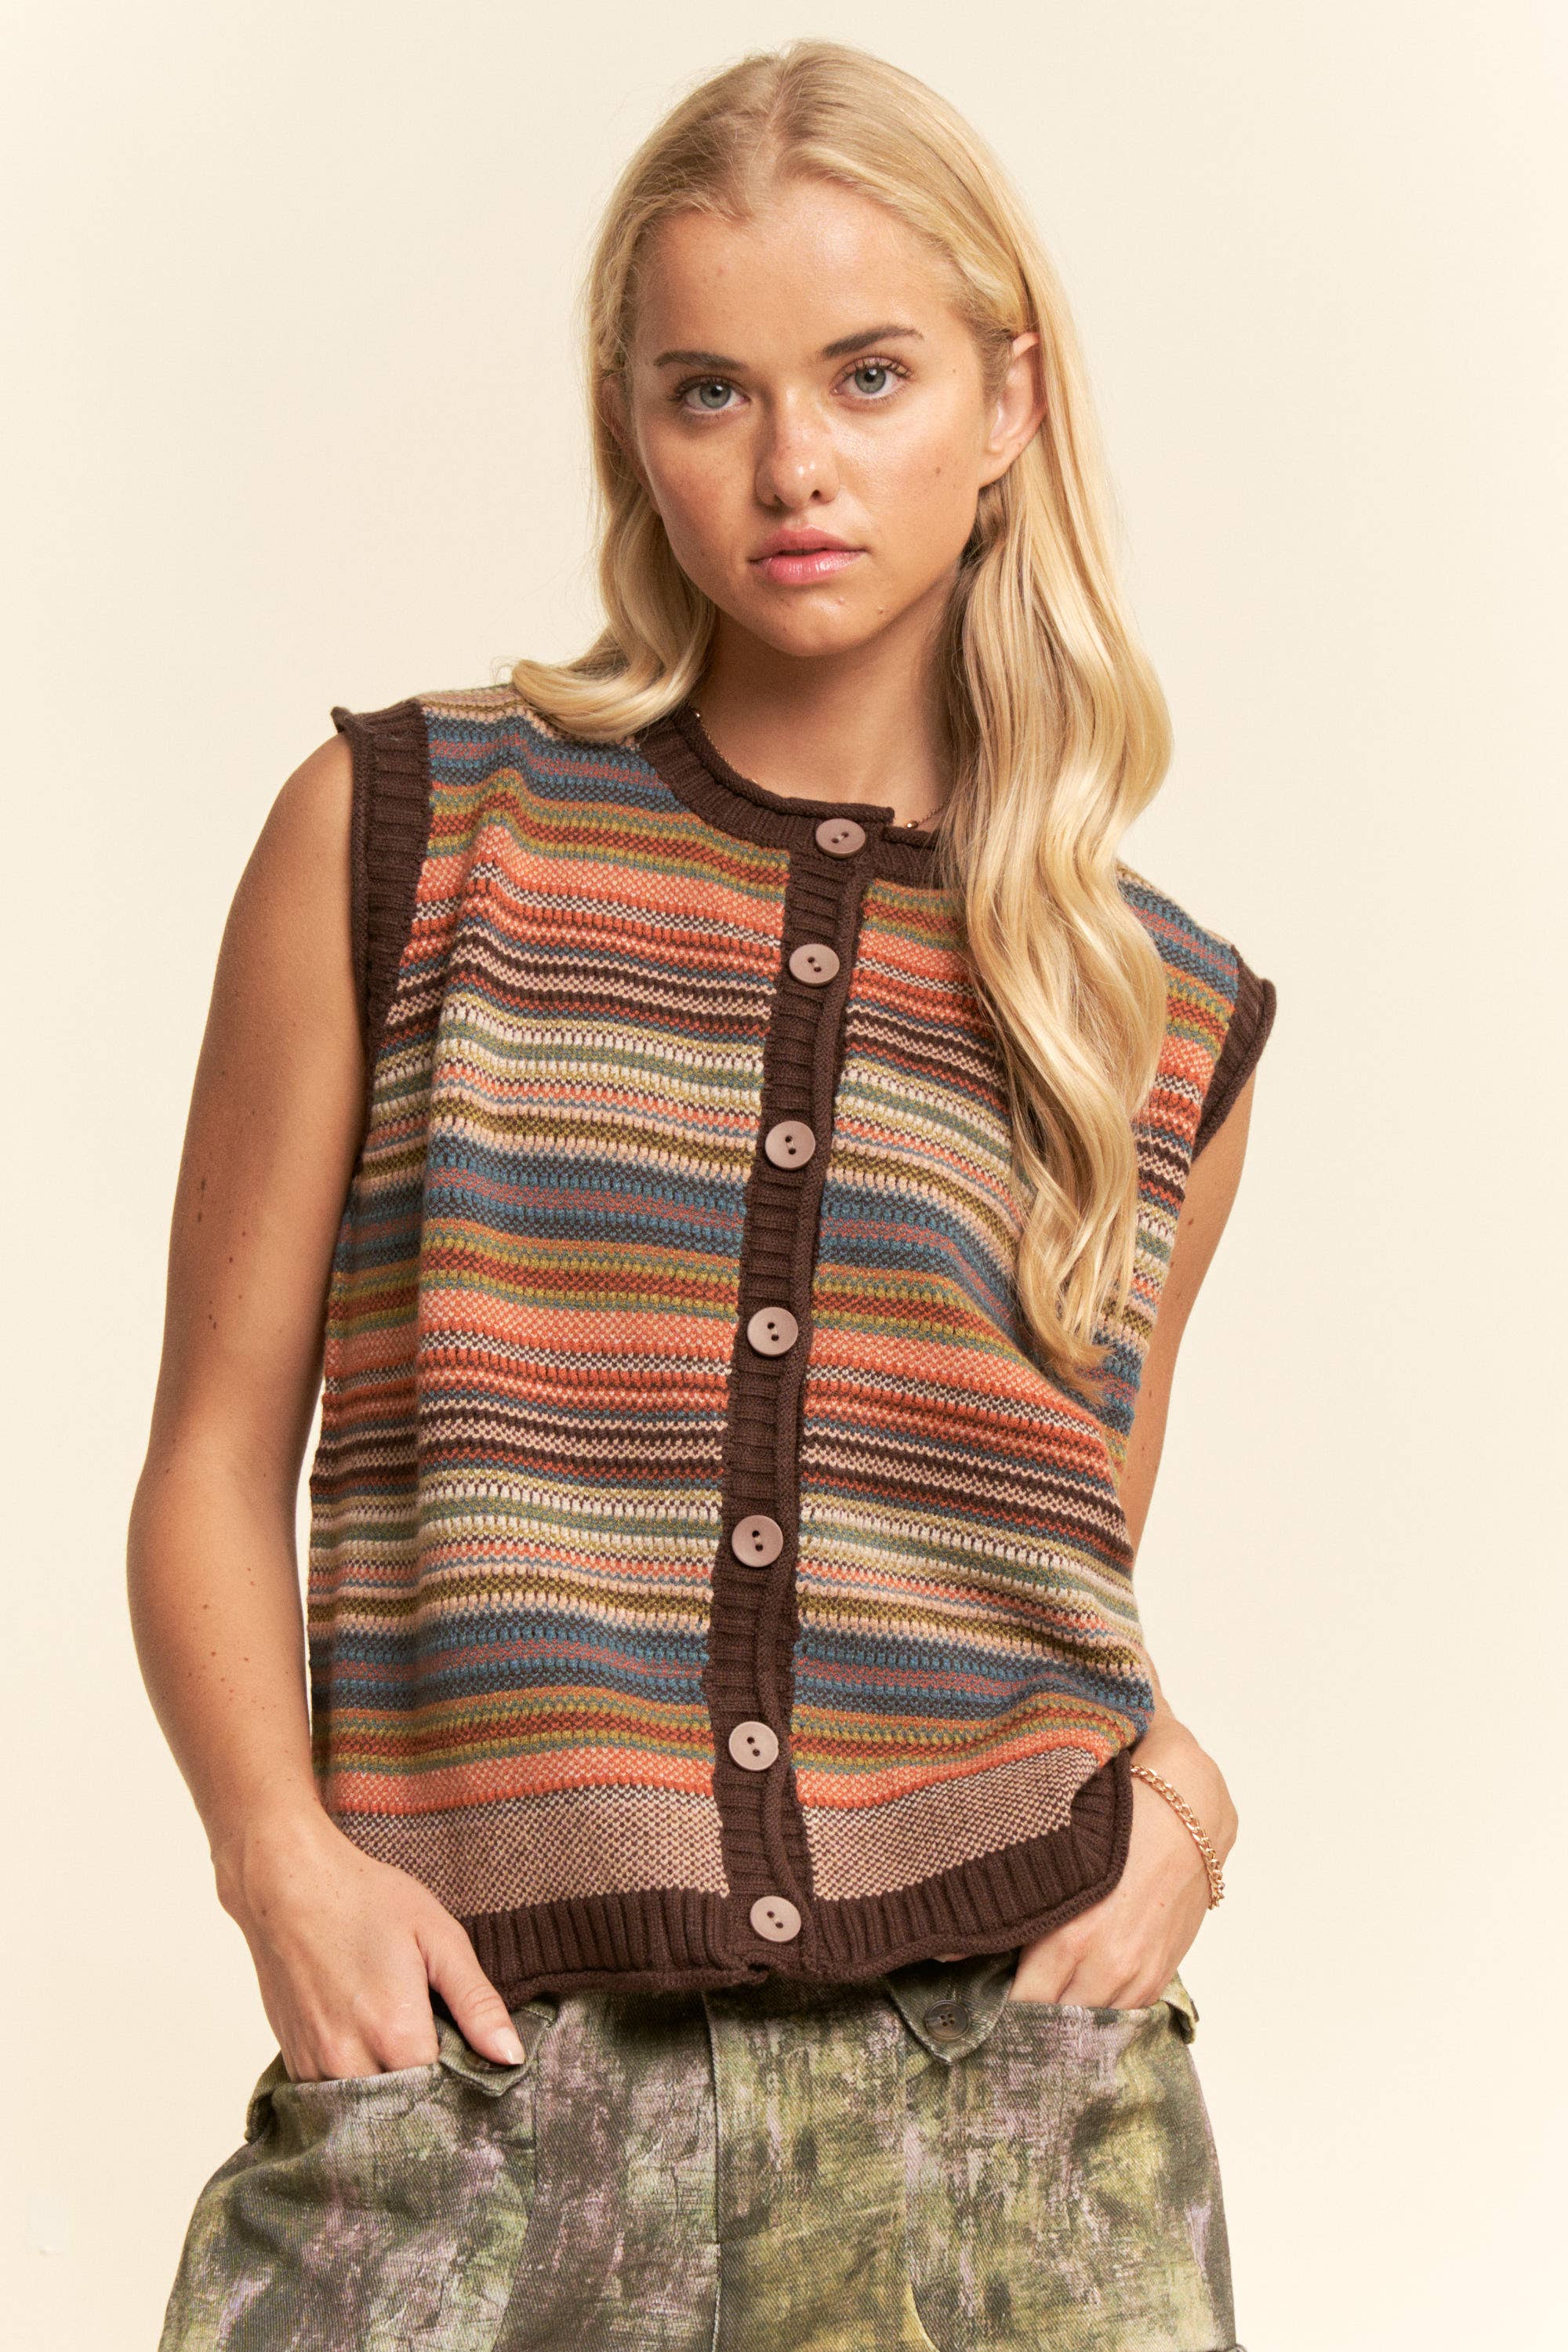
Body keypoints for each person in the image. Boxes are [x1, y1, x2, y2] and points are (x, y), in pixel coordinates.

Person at [134, 37, 1276, 2352]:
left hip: (1001, 2122)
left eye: (870, 375)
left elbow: (1060, 1571)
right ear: (629, 424)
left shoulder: (1152, 1005)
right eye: (709, 392)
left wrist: (1180, 1810)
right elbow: (209, 1461)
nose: (793, 468)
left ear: (1008, 400)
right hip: (470, 2074)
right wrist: (279, 1858)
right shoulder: (409, 838)